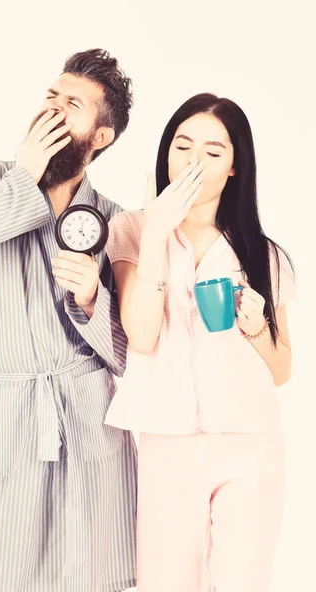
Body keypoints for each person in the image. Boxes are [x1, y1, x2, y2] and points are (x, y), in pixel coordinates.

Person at [0, 48, 137, 592]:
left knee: (89, 570)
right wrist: (21, 180)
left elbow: (131, 352)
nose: (53, 110)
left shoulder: (114, 222)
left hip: (88, 420)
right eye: (50, 96)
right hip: (1, 416)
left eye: (73, 104)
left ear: (101, 136)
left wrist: (91, 300)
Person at [104, 93, 295, 592]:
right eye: (182, 146)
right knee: (167, 583)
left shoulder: (262, 251)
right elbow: (141, 336)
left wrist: (254, 326)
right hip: (169, 443)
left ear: (234, 166)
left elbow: (281, 370)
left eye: (213, 152)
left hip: (252, 442)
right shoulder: (132, 228)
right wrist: (157, 234)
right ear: (166, 154)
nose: (193, 162)